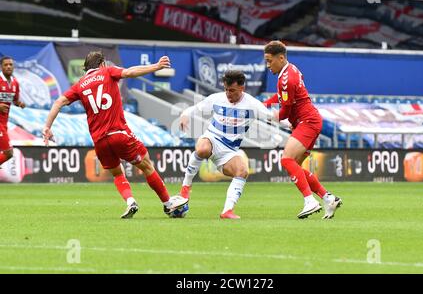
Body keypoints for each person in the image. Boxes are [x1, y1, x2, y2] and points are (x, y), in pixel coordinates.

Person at [42, 51, 187, 218]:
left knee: (117, 173)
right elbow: (130, 72)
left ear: (86, 68)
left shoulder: (80, 85)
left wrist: (47, 127)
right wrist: (156, 66)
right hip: (118, 133)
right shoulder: (108, 71)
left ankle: (130, 201)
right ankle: (168, 204)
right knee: (146, 165)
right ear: (102, 64)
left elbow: (59, 102)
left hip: (99, 141)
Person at [178, 70, 274, 219]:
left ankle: (227, 211)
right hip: (212, 137)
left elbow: (272, 117)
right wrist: (184, 115)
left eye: (232, 90)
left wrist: (292, 125)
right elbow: (194, 109)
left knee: (242, 171)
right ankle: (185, 187)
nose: (228, 94)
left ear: (242, 88)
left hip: (230, 150)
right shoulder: (216, 98)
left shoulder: (252, 104)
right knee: (202, 149)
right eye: (226, 89)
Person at [263, 40, 342, 219]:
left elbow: (284, 112)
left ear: (281, 58)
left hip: (307, 122)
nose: (268, 65)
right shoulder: (291, 70)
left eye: (270, 61)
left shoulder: (286, 79)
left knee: (286, 160)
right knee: (295, 166)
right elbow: (285, 97)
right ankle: (328, 198)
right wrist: (266, 103)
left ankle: (309, 201)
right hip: (309, 121)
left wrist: (268, 115)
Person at [0, 56, 26, 167]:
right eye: (5, 65)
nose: (8, 67)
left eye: (10, 64)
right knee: (9, 152)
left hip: (4, 123)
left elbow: (14, 100)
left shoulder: (15, 83)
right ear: (1, 67)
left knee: (8, 153)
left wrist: (19, 103)